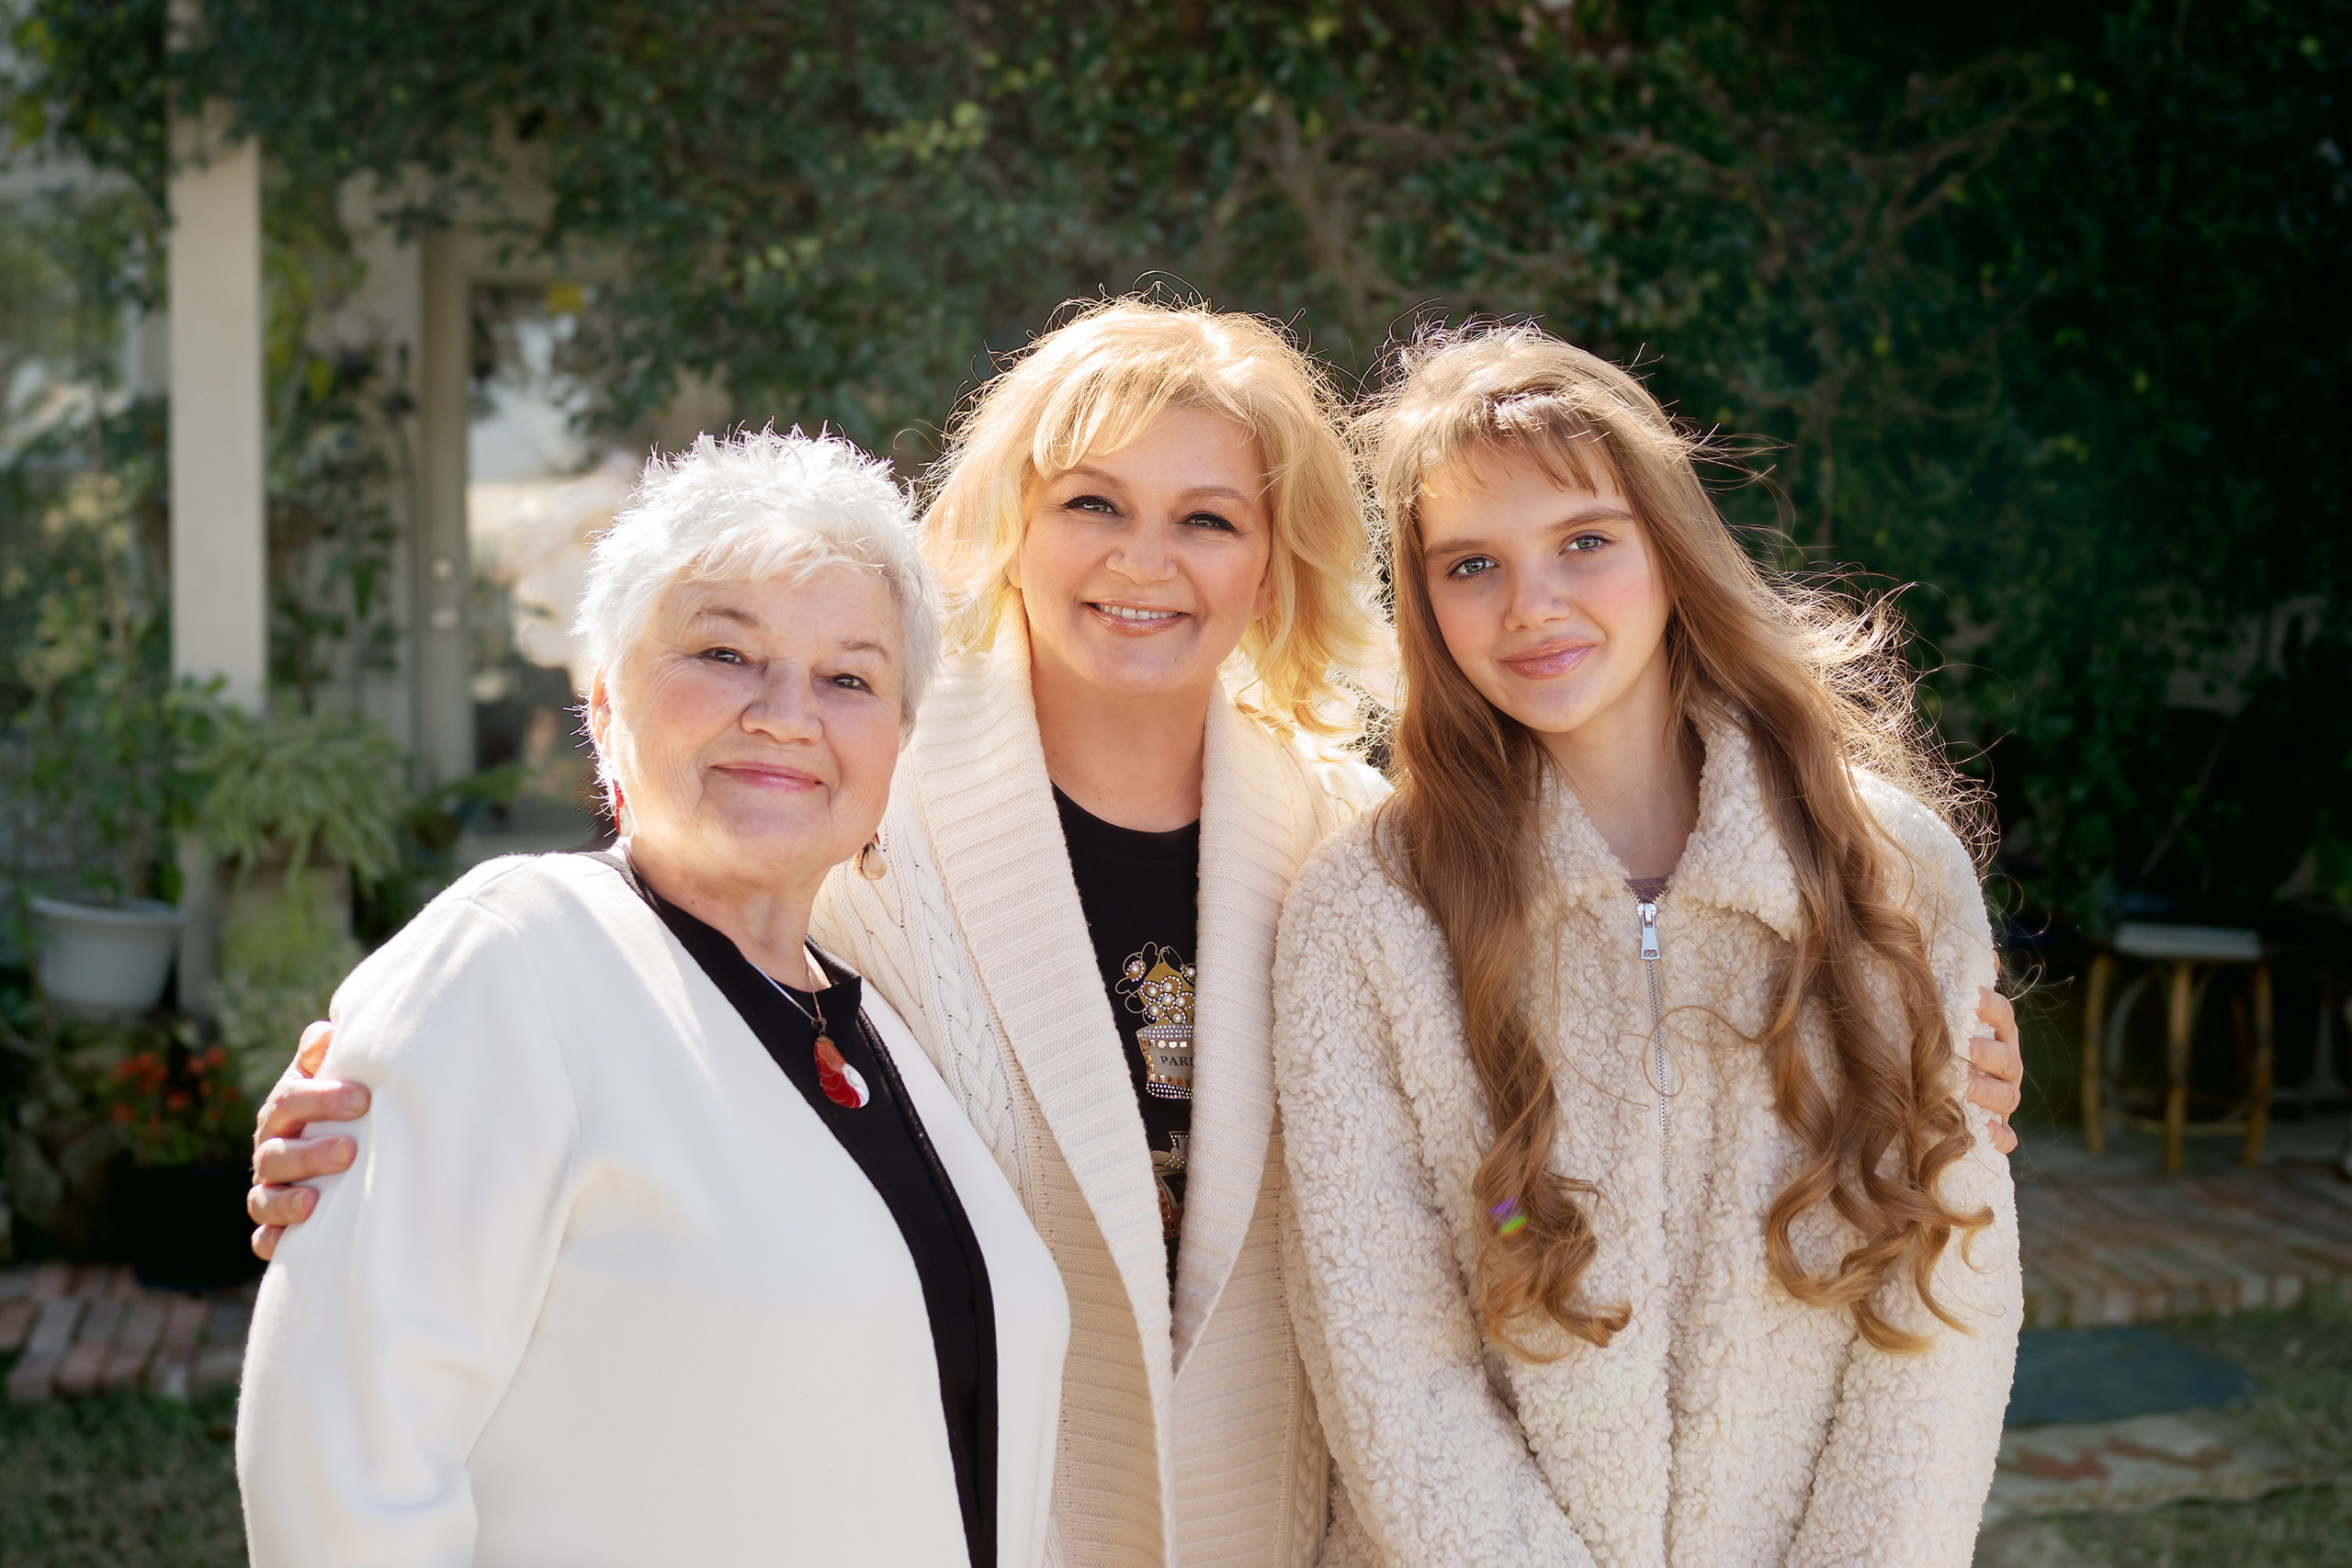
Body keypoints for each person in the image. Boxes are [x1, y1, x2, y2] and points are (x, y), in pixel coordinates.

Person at [243, 299, 2030, 1567]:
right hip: (983, 1520)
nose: (1141, 556)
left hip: (1294, 1528)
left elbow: (1483, 1216)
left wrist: (1946, 1077)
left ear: (1278, 560)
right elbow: (663, 985)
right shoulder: (865, 798)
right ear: (1012, 527)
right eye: (1091, 500)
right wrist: (381, 1115)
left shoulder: (1357, 847)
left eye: (1207, 516)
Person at [235, 431, 1069, 1568]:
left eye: (849, 677)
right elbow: (342, 1468)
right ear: (605, 702)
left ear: (897, 744)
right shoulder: (515, 964)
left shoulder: (883, 1038)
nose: (786, 712)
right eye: (725, 652)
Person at [1272, 325, 2020, 1566]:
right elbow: (1387, 1352)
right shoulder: (1371, 910)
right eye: (1471, 564)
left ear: (1668, 547)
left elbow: (1940, 1308)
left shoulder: (1889, 873)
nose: (1532, 605)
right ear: (1425, 603)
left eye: (1583, 541)